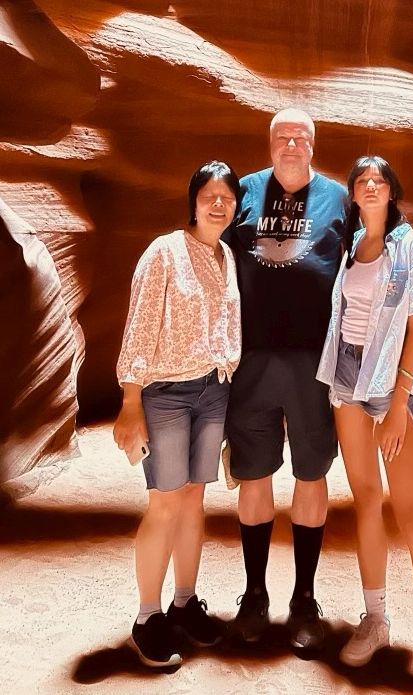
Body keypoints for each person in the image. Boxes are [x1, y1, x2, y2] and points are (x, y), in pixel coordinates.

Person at [316, 156, 413, 694]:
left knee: (412, 513)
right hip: (346, 378)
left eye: (379, 180)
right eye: (362, 181)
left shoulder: (411, 247)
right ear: (354, 195)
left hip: (388, 385)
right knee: (365, 497)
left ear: (392, 191)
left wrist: (401, 402)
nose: (370, 186)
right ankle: (376, 619)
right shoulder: (352, 246)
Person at [223, 108, 346, 649]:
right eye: (282, 137)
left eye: (301, 137)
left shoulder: (341, 197)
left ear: (313, 146)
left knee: (311, 474)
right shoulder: (241, 190)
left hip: (312, 365)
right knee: (254, 474)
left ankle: (303, 598)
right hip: (252, 361)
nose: (292, 144)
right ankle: (254, 596)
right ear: (269, 143)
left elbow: (376, 248)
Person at [113, 161, 241, 668]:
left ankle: (184, 603)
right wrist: (130, 401)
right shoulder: (164, 252)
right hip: (166, 393)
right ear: (193, 202)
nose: (217, 204)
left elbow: (230, 325)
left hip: (213, 390)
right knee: (164, 503)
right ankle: (147, 617)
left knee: (193, 501)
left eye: (226, 197)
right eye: (208, 195)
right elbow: (140, 325)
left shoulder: (227, 256)